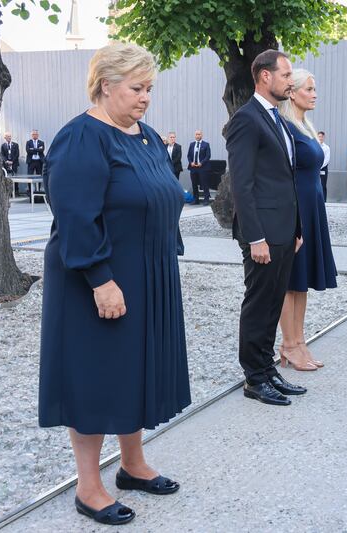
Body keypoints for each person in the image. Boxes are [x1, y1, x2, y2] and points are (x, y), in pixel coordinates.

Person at [38, 43, 189, 526]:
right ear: (106, 85)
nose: (146, 98)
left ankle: (132, 464)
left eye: (150, 88)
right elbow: (76, 216)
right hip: (99, 279)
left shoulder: (142, 135)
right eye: (137, 88)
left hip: (147, 273)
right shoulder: (82, 137)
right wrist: (101, 280)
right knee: (97, 378)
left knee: (133, 370)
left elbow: (161, 196)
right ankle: (88, 486)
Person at [226, 49, 306, 406]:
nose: (292, 81)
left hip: (284, 230)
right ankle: (254, 378)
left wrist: (297, 229)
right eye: (286, 75)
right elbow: (241, 185)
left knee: (274, 302)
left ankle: (268, 368)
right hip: (262, 234)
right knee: (259, 304)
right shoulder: (247, 119)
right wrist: (255, 236)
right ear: (264, 77)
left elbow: (285, 179)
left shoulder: (276, 118)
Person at [278, 69, 338, 371]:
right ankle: (288, 345)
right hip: (296, 207)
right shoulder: (286, 126)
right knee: (289, 281)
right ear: (292, 92)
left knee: (301, 281)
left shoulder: (304, 125)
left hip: (312, 205)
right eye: (309, 89)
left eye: (315, 89)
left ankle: (299, 342)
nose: (315, 94)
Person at [187, 130, 211, 204]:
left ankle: (206, 199)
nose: (197, 136)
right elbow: (188, 155)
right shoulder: (192, 144)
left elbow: (208, 156)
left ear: (201, 135)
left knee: (204, 184)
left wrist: (202, 163)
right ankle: (196, 199)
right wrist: (191, 162)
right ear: (195, 135)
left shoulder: (206, 144)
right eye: (196, 134)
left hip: (202, 168)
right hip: (193, 168)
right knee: (194, 184)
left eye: (199, 134)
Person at [318, 131, 330, 201]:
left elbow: (327, 159)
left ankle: (324, 201)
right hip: (315, 168)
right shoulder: (315, 145)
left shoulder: (326, 148)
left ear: (324, 137)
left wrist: (320, 166)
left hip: (323, 168)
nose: (320, 138)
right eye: (319, 136)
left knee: (323, 185)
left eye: (321, 136)